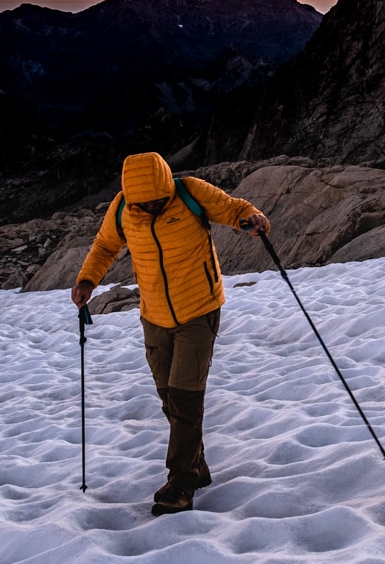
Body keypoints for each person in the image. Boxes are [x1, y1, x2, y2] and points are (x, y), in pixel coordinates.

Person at [70, 151, 270, 515]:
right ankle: (196, 466)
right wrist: (87, 280)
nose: (150, 208)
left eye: (158, 202)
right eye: (143, 204)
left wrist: (250, 219)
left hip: (199, 309)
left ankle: (181, 483)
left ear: (166, 188)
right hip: (154, 315)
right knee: (168, 395)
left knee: (185, 397)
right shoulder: (122, 208)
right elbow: (105, 246)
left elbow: (232, 208)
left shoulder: (190, 191)